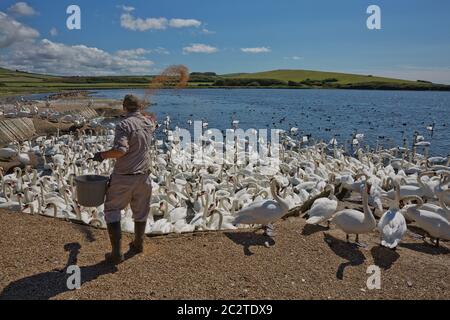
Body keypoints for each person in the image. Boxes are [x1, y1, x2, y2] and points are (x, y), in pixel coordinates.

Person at [91, 94, 155, 264]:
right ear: (139, 107)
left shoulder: (123, 125)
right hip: (144, 176)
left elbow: (120, 150)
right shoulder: (149, 123)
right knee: (141, 211)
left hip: (125, 177)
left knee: (112, 210)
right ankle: (138, 244)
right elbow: (151, 124)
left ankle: (116, 253)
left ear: (124, 107)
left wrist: (102, 155)